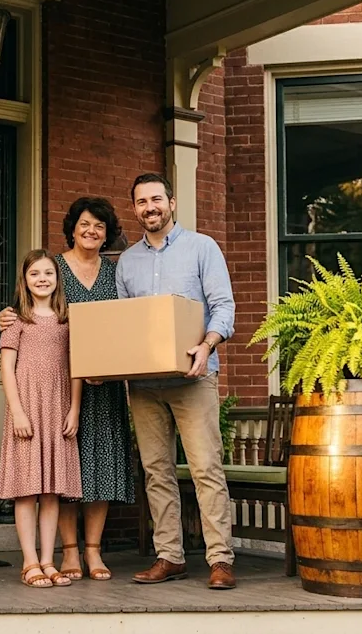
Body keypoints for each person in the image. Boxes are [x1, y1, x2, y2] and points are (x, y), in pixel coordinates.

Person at [0, 198, 133, 582]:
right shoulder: (54, 268)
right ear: (72, 227)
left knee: (100, 465)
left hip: (101, 385)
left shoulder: (115, 274)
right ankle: (68, 552)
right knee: (60, 471)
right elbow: (26, 309)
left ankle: (93, 550)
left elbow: (126, 323)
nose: (92, 232)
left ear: (107, 234)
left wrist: (111, 367)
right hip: (52, 391)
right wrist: (6, 316)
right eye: (85, 224)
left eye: (100, 227)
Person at [117, 173, 237, 590]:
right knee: (156, 472)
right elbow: (124, 323)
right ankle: (169, 556)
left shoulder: (202, 247)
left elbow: (223, 307)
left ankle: (220, 558)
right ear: (134, 209)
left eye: (156, 200)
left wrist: (206, 346)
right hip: (145, 383)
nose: (149, 208)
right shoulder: (127, 262)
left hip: (194, 376)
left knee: (205, 468)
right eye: (141, 202)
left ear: (172, 202)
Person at [0, 249, 84, 589]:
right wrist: (17, 410)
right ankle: (29, 562)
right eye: (35, 274)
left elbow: (78, 367)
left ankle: (49, 560)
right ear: (25, 280)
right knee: (26, 490)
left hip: (58, 409)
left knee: (52, 492)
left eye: (48, 273)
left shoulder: (67, 321)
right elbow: (6, 367)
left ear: (57, 279)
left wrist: (74, 408)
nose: (42, 279)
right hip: (28, 409)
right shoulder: (18, 319)